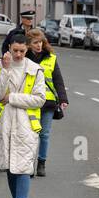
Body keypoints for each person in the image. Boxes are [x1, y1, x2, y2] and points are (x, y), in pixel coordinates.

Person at [0, 38, 47, 198]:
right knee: (10, 167)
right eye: (15, 50)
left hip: (26, 125)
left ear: (26, 49)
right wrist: (5, 70)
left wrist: (12, 97)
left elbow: (39, 99)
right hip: (4, 124)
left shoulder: (35, 69)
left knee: (22, 166)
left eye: (22, 51)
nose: (19, 54)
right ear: (9, 49)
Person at [26, 29, 68, 177]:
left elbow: (58, 80)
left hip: (48, 102)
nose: (39, 45)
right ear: (28, 44)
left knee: (44, 134)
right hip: (29, 102)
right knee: (30, 135)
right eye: (35, 43)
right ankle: (29, 164)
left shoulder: (51, 58)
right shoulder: (23, 58)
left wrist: (63, 99)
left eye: (41, 42)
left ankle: (41, 163)